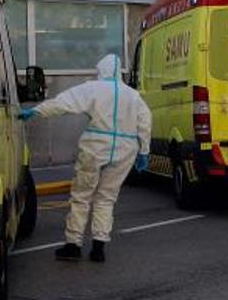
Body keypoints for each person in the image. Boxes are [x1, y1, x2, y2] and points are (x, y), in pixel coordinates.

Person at [20, 54, 151, 263]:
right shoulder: (134, 96)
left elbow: (63, 103)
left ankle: (73, 245)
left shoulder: (93, 88)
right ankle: (99, 247)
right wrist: (144, 151)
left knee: (81, 196)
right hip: (125, 149)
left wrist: (35, 111)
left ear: (102, 70)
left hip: (96, 147)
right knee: (106, 198)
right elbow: (144, 123)